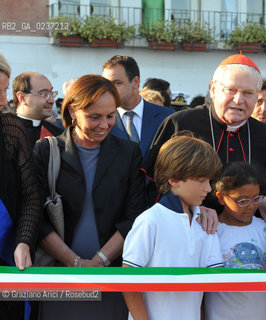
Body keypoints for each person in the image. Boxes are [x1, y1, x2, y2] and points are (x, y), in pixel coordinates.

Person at [33, 74, 146, 320]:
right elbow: (37, 217)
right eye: (94, 117)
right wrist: (76, 264)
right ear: (73, 111)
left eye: (110, 116)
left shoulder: (129, 153)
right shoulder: (46, 150)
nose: (104, 125)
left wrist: (100, 261)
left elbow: (135, 215)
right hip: (60, 278)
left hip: (111, 279)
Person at [143, 54, 266, 204]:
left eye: (248, 93)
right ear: (214, 90)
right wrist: (192, 209)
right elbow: (156, 184)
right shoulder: (179, 124)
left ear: (256, 96)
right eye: (231, 90)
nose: (239, 100)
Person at [122, 134, 223, 320]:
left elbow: (211, 281)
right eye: (202, 180)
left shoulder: (206, 223)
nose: (209, 188)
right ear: (174, 179)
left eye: (209, 181)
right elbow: (129, 281)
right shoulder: (150, 221)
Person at [0, 51, 42, 320]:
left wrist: (24, 242)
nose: (2, 100)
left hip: (6, 258)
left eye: (3, 90)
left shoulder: (11, 130)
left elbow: (30, 196)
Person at [204, 162, 266, 320]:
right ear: (221, 197)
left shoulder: (263, 228)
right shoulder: (211, 230)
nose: (251, 207)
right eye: (242, 201)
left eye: (256, 199)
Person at [102, 55, 174, 158]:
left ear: (135, 82)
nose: (110, 89)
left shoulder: (167, 117)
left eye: (117, 83)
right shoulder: (100, 121)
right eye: (107, 84)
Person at [12, 72, 64, 148]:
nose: (52, 100)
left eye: (52, 93)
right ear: (22, 98)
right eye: (43, 94)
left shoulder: (58, 134)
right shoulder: (6, 133)